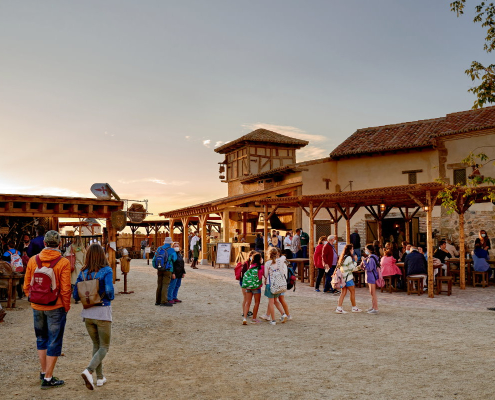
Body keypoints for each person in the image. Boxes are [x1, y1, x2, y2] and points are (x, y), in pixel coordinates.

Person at [23, 230, 71, 389]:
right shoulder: (63, 262)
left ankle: (44, 372)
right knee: (54, 340)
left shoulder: (32, 260)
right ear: (59, 244)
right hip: (55, 306)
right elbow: (65, 289)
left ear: (44, 243)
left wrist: (34, 299)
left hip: (37, 306)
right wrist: (66, 306)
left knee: (41, 338)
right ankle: (49, 378)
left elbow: (27, 285)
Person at [73, 244, 114, 390]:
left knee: (96, 345)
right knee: (104, 346)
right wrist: (110, 297)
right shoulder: (107, 270)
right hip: (102, 311)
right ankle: (89, 370)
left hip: (88, 313)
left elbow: (75, 294)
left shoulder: (82, 273)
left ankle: (100, 378)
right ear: (102, 255)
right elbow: (109, 291)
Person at [261, 247, 288, 325]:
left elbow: (266, 274)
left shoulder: (268, 263)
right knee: (276, 301)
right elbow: (284, 257)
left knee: (271, 302)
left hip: (271, 284)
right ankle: (283, 314)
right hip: (278, 284)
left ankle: (273, 320)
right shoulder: (280, 262)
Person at [335, 244, 362, 314]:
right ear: (350, 250)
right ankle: (354, 307)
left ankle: (339, 307)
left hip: (343, 278)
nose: (353, 251)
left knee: (343, 293)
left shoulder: (343, 257)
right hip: (348, 278)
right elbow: (353, 268)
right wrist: (356, 262)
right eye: (352, 249)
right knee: (352, 292)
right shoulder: (349, 258)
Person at [153, 237, 177, 306]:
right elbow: (174, 259)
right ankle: (163, 301)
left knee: (159, 285)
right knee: (165, 285)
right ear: (170, 243)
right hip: (168, 269)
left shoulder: (159, 248)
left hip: (160, 269)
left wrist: (157, 267)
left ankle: (157, 301)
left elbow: (154, 259)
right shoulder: (172, 250)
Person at [242, 253, 264, 325]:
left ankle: (245, 317)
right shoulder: (261, 267)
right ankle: (254, 318)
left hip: (248, 286)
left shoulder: (250, 267)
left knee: (248, 302)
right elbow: (262, 276)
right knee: (256, 302)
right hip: (256, 287)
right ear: (260, 259)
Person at [362, 244, 379, 314]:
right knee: (371, 293)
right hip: (369, 277)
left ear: (369, 250)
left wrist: (364, 262)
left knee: (373, 293)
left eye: (366, 249)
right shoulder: (370, 257)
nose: (365, 251)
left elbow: (370, 268)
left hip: (372, 276)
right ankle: (373, 306)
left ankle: (376, 308)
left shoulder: (371, 258)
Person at [70, 237, 86, 303]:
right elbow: (85, 259)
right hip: (81, 267)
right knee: (80, 283)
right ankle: (79, 297)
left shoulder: (71, 247)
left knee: (73, 283)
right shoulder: (83, 249)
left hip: (73, 267)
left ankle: (75, 296)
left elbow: (65, 255)